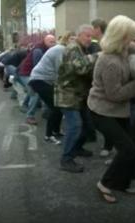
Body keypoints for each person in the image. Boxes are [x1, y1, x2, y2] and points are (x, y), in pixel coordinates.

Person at [88, 15, 135, 203]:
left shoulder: (123, 49)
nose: (133, 38)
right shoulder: (110, 61)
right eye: (131, 35)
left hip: (118, 110)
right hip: (102, 111)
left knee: (131, 146)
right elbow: (114, 94)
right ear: (121, 36)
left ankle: (123, 182)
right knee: (128, 150)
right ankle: (105, 183)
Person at [55, 24, 98, 173]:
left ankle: (77, 148)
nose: (90, 40)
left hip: (77, 95)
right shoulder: (73, 48)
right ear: (80, 35)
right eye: (88, 36)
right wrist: (96, 56)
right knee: (75, 126)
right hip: (68, 95)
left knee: (86, 124)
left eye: (91, 37)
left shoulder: (80, 48)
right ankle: (66, 159)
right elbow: (80, 68)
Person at [29, 32, 76, 145]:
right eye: (71, 39)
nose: (74, 42)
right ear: (66, 39)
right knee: (55, 107)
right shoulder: (60, 49)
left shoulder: (65, 50)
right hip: (39, 80)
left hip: (45, 80)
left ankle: (56, 131)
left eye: (75, 40)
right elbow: (60, 70)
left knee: (58, 106)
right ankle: (48, 135)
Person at [18, 34, 56, 125]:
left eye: (54, 42)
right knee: (36, 92)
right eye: (51, 42)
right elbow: (37, 66)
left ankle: (25, 105)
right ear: (45, 41)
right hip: (26, 73)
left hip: (30, 73)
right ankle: (29, 116)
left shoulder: (47, 50)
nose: (53, 44)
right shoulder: (38, 50)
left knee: (33, 89)